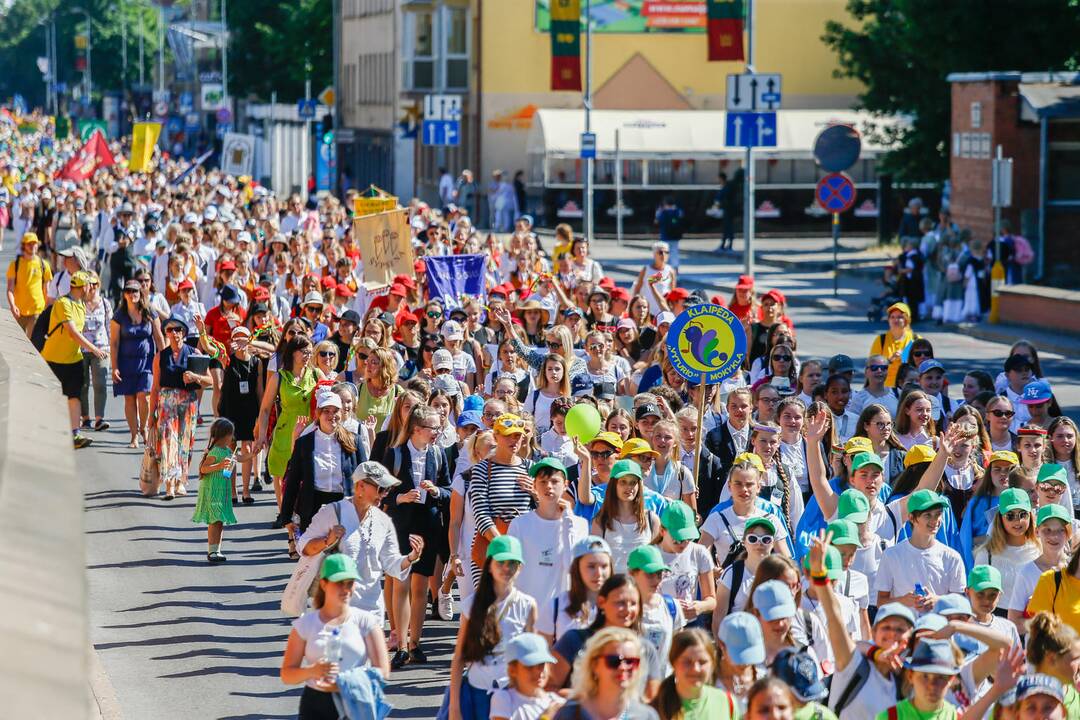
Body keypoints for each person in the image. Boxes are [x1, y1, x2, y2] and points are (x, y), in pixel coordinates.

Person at [298, 461, 424, 619]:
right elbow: (303, 547)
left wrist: (411, 557)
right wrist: (326, 541)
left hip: (372, 614)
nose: (384, 494)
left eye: (388, 490)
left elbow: (392, 565)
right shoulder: (333, 512)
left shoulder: (383, 521)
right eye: (381, 489)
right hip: (336, 614)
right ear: (361, 486)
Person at [279, 554, 391, 720]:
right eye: (339, 583)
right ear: (323, 584)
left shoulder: (366, 622)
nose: (345, 589)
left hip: (356, 702)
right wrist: (311, 671)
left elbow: (383, 672)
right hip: (316, 704)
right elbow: (287, 674)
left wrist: (347, 680)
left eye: (350, 583)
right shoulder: (305, 625)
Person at [385, 405, 452, 668]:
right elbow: (382, 491)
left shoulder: (437, 453)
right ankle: (400, 644)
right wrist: (401, 497)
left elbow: (448, 489)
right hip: (401, 524)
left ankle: (416, 643)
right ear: (417, 429)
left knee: (421, 587)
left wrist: (435, 491)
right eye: (433, 428)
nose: (437, 432)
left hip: (428, 523)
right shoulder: (396, 454)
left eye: (438, 427)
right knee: (401, 583)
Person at [447, 535, 537, 720]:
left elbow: (531, 658)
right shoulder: (471, 605)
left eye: (512, 563)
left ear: (520, 567)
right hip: (478, 689)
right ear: (489, 565)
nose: (506, 568)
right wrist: (454, 707)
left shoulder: (528, 605)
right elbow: (459, 658)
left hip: (512, 692)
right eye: (500, 562)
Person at [41, 270, 109, 448]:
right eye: (89, 285)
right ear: (82, 287)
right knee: (54, 397)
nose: (92, 288)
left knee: (74, 397)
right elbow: (72, 332)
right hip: (54, 358)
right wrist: (95, 349)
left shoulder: (81, 303)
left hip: (73, 358)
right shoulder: (63, 303)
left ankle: (75, 435)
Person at [255, 332, 319, 516]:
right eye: (304, 352)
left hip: (309, 433)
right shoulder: (279, 377)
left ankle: (298, 517)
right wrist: (261, 437)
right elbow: (265, 409)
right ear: (293, 353)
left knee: (305, 479)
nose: (308, 356)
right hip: (284, 432)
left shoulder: (315, 374)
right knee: (282, 474)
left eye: (310, 352)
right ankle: (284, 514)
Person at [150, 315, 212, 497]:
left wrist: (195, 377)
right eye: (170, 330)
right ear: (166, 333)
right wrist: (150, 418)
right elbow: (155, 387)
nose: (174, 333)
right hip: (166, 401)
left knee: (185, 441)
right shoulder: (160, 356)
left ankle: (180, 481)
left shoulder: (194, 353)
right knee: (168, 441)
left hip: (188, 401)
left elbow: (210, 380)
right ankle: (169, 483)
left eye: (178, 330)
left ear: (184, 333)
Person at [551, 626, 660, 720]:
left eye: (631, 662)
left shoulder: (646, 716)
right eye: (614, 661)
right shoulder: (569, 715)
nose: (623, 667)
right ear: (594, 665)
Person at [110, 276, 161, 447]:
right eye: (128, 291)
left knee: (144, 396)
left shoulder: (150, 312)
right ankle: (134, 436)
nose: (132, 294)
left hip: (147, 361)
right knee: (129, 399)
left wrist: (166, 359)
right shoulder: (119, 315)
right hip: (125, 363)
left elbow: (159, 337)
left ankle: (144, 427)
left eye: (135, 291)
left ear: (141, 293)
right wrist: (114, 367)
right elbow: (114, 342)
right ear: (124, 294)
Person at [191, 418, 251, 562]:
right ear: (224, 436)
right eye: (231, 434)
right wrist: (219, 466)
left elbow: (240, 458)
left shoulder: (227, 450)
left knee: (220, 520)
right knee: (214, 520)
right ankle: (212, 551)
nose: (233, 437)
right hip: (213, 490)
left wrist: (253, 454)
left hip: (222, 490)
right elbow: (203, 469)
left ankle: (216, 550)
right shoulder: (215, 452)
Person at [650, 628, 737, 720]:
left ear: (712, 664)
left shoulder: (726, 702)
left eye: (702, 662)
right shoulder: (655, 707)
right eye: (687, 662)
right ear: (673, 663)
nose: (695, 669)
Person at [490, 633, 560, 720]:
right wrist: (545, 717)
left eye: (542, 664)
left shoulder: (556, 702)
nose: (538, 671)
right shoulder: (504, 698)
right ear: (513, 670)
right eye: (529, 666)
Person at [78, 273, 112, 433]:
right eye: (88, 284)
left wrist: (112, 348)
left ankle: (99, 419)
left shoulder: (105, 303)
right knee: (83, 385)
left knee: (100, 384)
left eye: (94, 284)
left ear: (98, 284)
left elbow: (110, 327)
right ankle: (85, 418)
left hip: (101, 348)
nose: (91, 287)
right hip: (82, 349)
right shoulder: (79, 303)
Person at [6, 231, 52, 337]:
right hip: (19, 311)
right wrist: (13, 306)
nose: (32, 246)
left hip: (37, 310)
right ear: (23, 246)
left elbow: (47, 290)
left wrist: (46, 310)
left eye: (34, 243)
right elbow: (10, 289)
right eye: (29, 244)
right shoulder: (15, 265)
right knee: (18, 342)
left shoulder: (44, 265)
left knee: (32, 345)